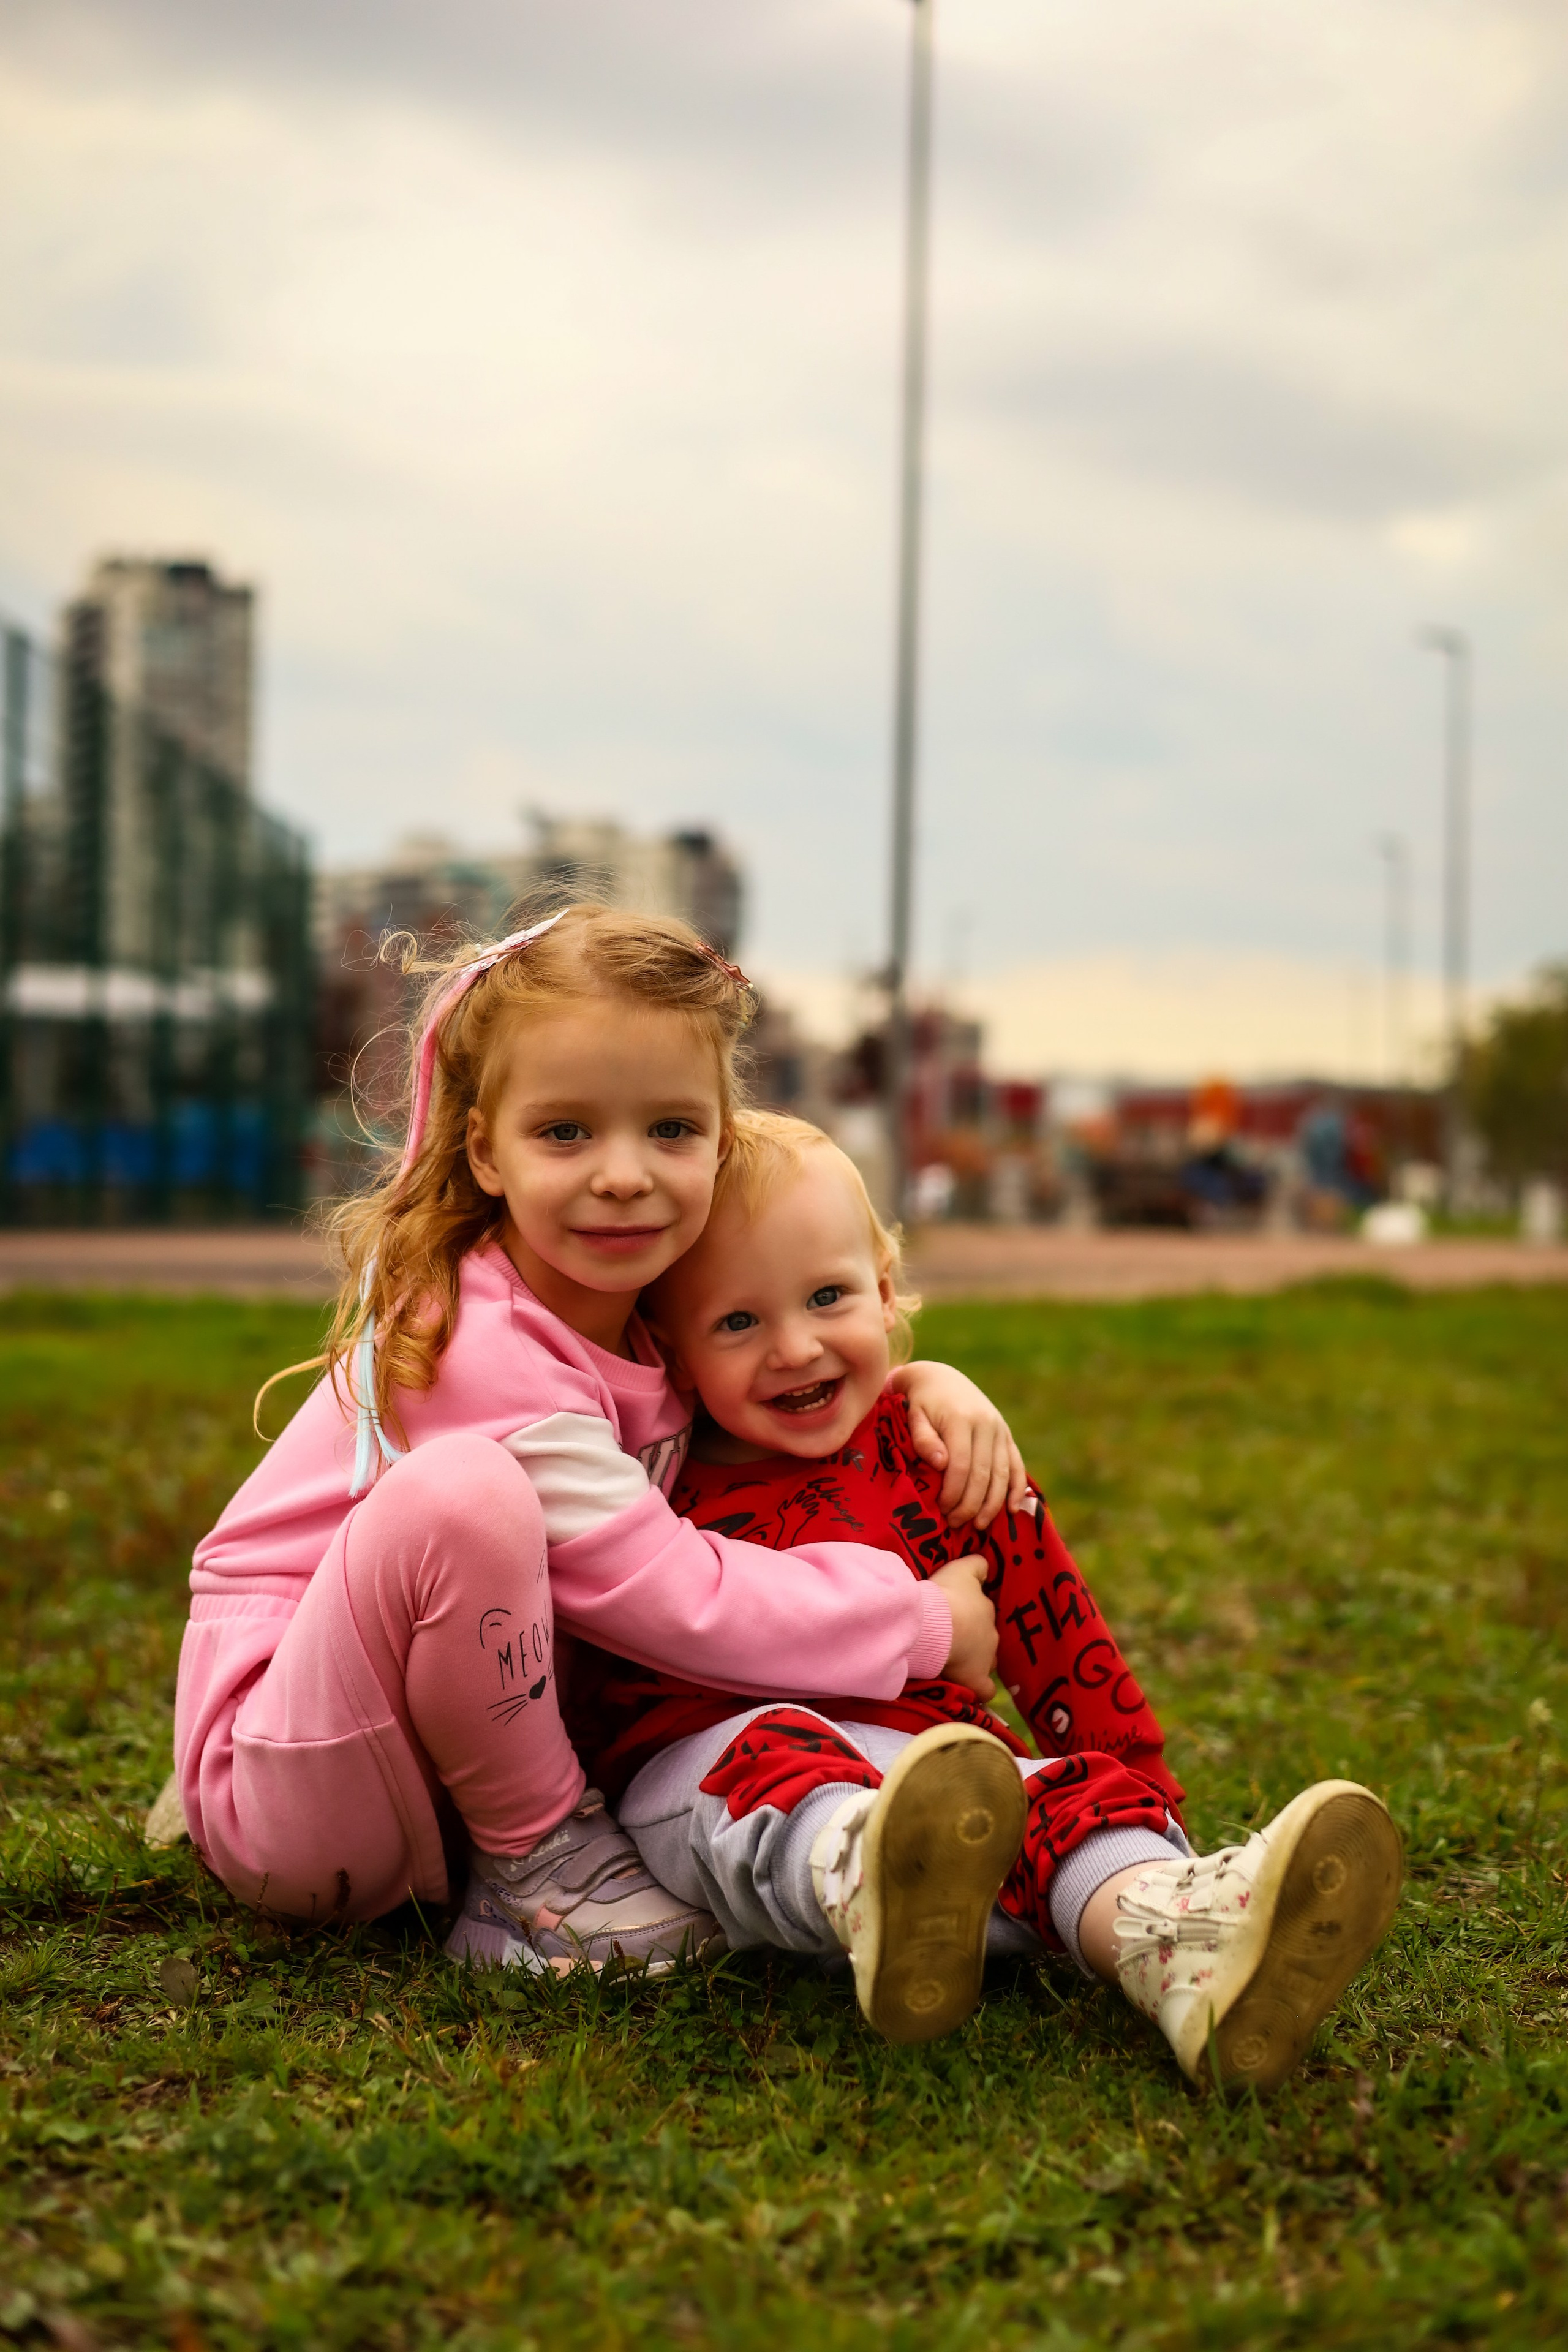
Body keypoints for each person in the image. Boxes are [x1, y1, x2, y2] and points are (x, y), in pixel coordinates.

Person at [175, 907, 1021, 1977]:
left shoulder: (644, 1309)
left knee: (487, 1507)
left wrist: (913, 1387)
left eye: (671, 1130)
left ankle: (559, 1843)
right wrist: (916, 1626)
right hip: (294, 1796)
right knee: (466, 1498)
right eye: (565, 1132)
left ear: (723, 1138)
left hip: (429, 1775)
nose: (624, 1174)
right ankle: (537, 1877)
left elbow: (771, 1382)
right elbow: (673, 1594)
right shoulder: (475, 1340)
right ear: (484, 1149)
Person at [570, 1111, 1403, 2094]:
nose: (795, 1348)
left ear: (885, 1293)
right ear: (665, 1350)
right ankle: (870, 1874)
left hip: (937, 1767)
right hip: (713, 1755)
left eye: (828, 1296)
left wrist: (1134, 1783)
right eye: (739, 1322)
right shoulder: (643, 1472)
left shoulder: (932, 1450)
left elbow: (1051, 1618)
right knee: (775, 1764)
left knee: (1052, 1798)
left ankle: (1177, 1935)